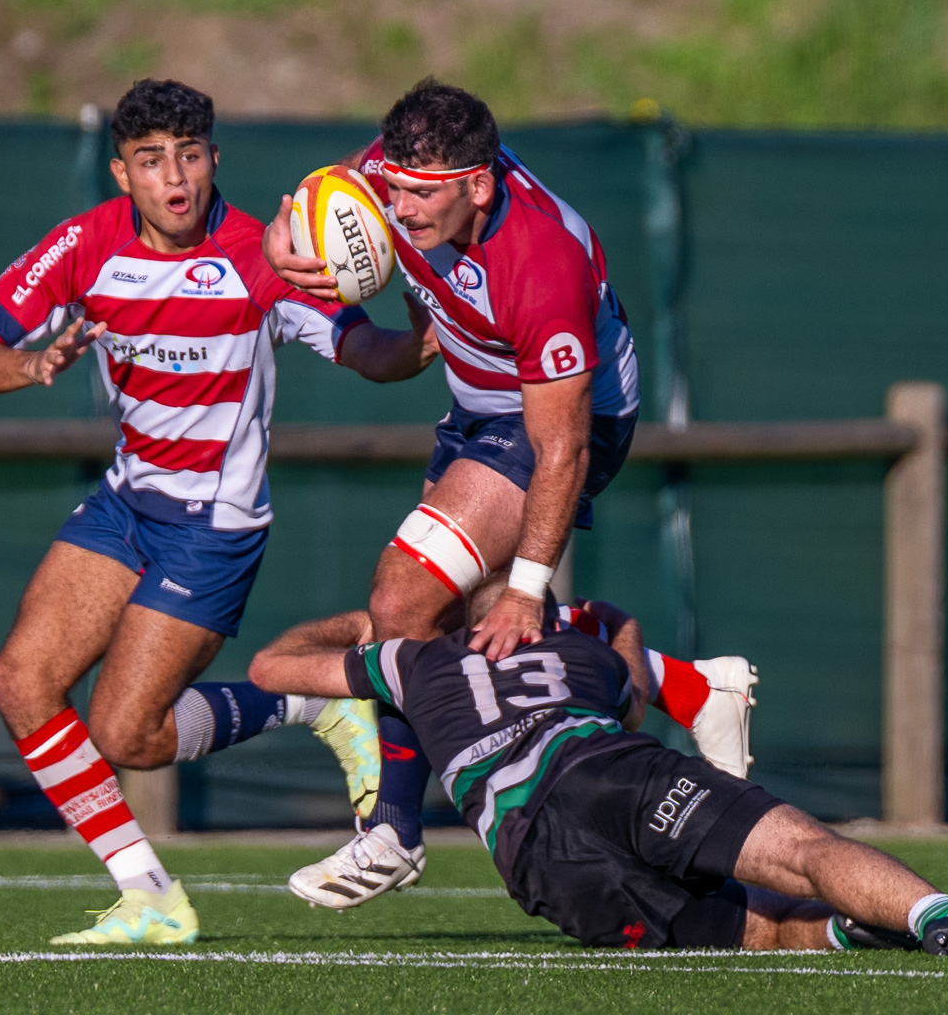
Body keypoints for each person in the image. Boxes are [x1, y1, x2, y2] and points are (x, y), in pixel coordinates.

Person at [0, 79, 441, 945]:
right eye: (150, 160)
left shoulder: (264, 256)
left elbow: (363, 349)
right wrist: (30, 367)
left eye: (189, 154)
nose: (173, 177)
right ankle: (150, 897)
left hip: (211, 528)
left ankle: (315, 705)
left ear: (215, 159)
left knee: (128, 735)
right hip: (123, 505)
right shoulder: (82, 245)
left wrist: (415, 345)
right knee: (20, 682)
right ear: (121, 174)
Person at [259, 80, 756, 906]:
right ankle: (685, 685)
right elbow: (341, 189)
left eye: (423, 194)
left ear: (479, 186)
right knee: (474, 637)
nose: (401, 209)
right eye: (395, 185)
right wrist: (295, 237)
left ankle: (392, 831)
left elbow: (561, 447)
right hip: (478, 398)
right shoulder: (392, 182)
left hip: (565, 419)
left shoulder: (541, 261)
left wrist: (529, 589)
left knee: (403, 600)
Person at [248, 599, 948, 955]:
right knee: (804, 851)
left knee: (758, 934)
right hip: (600, 766)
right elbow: (635, 699)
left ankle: (844, 930)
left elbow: (268, 665)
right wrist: (612, 626)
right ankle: (947, 917)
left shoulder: (410, 662)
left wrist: (364, 627)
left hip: (530, 851)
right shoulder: (577, 655)